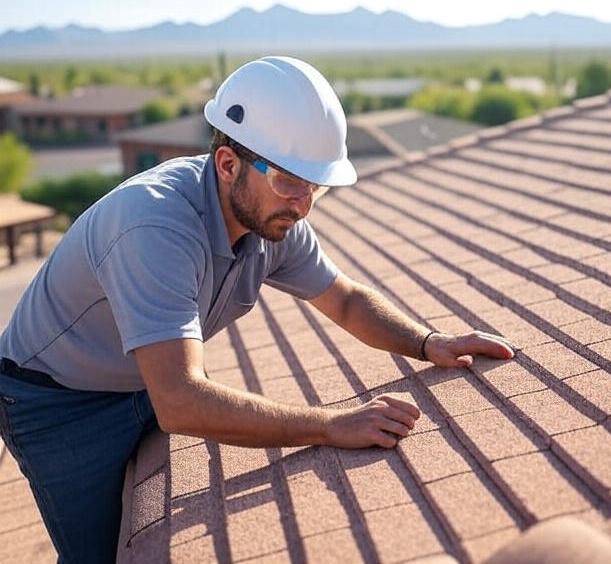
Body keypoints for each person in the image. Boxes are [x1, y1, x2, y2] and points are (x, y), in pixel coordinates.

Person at [0, 56, 516, 563]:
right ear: (228, 164)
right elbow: (179, 401)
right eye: (291, 181)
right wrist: (328, 425)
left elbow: (347, 299)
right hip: (57, 407)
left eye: (316, 186)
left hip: (139, 379)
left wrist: (429, 343)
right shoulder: (154, 227)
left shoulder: (273, 217)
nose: (303, 204)